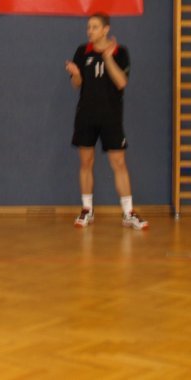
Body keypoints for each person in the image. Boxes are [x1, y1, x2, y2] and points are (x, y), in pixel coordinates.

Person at [65, 13, 148, 230]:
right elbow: (76, 84)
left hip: (111, 116)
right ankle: (87, 210)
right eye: (88, 27)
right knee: (86, 162)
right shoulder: (82, 51)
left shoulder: (120, 52)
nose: (89, 31)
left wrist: (108, 58)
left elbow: (121, 83)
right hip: (86, 115)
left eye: (94, 27)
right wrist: (75, 73)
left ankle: (128, 212)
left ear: (106, 29)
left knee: (119, 163)